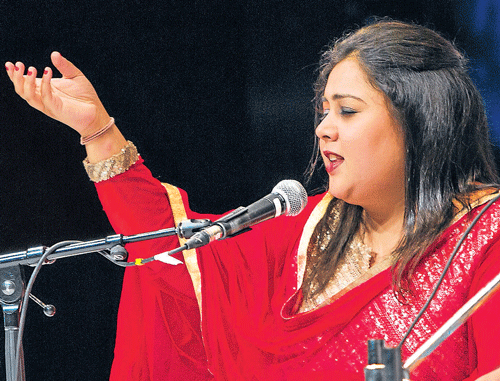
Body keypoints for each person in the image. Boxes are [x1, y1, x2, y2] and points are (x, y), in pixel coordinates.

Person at [6, 19, 500, 380]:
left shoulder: (484, 238)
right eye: (323, 111)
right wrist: (97, 131)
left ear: (419, 120)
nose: (324, 129)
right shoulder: (309, 229)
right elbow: (176, 254)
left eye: (347, 111)